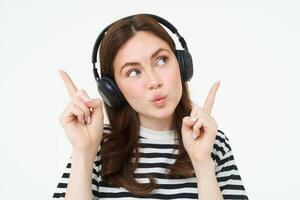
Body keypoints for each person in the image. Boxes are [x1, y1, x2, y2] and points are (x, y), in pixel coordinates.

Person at [52, 14, 248, 200]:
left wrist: (203, 164)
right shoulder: (96, 145)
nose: (154, 81)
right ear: (113, 89)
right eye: (134, 72)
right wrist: (84, 153)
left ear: (182, 65)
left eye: (161, 60)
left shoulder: (213, 142)